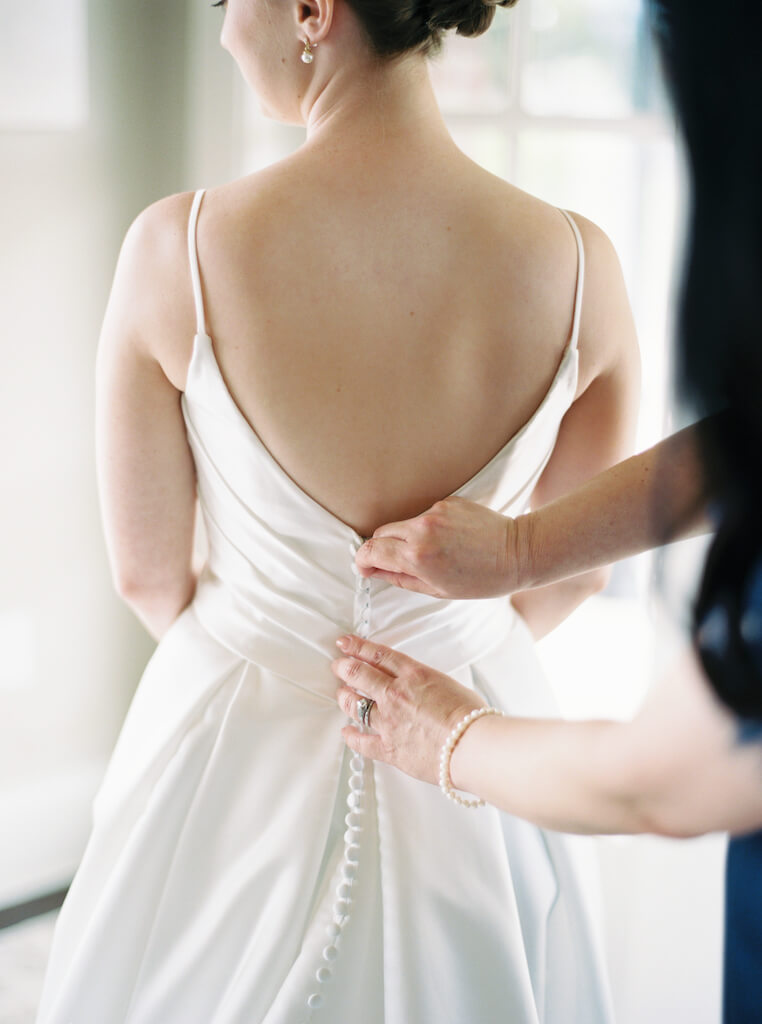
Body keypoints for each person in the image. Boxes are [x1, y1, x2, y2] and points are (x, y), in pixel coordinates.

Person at [35, 1, 641, 1022]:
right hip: (479, 743)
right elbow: (579, 565)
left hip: (233, 753)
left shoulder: (173, 251)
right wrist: (447, 640)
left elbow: (146, 574)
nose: (226, 30)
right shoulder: (583, 267)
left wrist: (275, 644)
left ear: (314, 9)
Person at [332, 1, 762, 1019]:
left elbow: (662, 781)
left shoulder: (174, 244)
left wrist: (448, 733)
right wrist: (524, 545)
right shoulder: (576, 258)